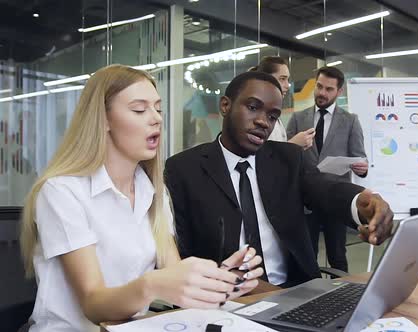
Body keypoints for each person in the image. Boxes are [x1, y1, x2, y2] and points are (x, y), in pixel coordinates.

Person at [19, 65, 263, 332]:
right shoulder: (62, 192)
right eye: (139, 109)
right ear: (104, 119)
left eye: (158, 108)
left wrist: (223, 281)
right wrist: (153, 283)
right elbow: (93, 304)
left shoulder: (153, 191)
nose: (156, 118)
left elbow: (174, 275)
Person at [165, 71, 394, 288]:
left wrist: (361, 204)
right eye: (253, 108)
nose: (263, 122)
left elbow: (325, 188)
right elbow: (183, 255)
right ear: (225, 105)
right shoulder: (185, 168)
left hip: (292, 292)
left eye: (273, 116)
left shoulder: (288, 158)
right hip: (226, 297)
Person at [286, 66, 369, 272]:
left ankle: (342, 298)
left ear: (339, 92)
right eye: (319, 86)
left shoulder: (350, 121)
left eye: (329, 89)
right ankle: (311, 299)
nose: (322, 93)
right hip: (305, 199)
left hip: (336, 198)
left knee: (338, 256)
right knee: (307, 255)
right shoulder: (298, 118)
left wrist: (361, 169)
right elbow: (284, 155)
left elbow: (359, 157)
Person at [250, 56, 315, 149]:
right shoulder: (255, 115)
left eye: (287, 79)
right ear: (266, 79)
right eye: (282, 79)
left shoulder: (274, 115)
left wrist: (295, 148)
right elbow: (258, 156)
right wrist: (292, 145)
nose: (287, 86)